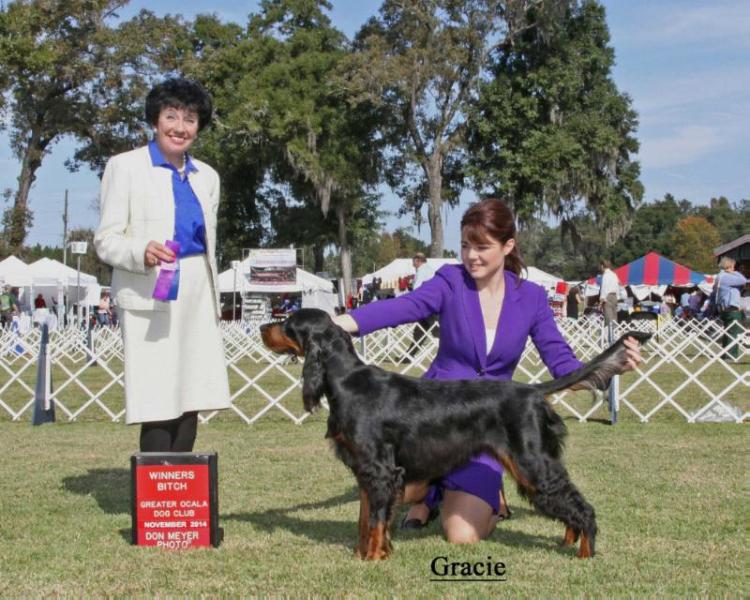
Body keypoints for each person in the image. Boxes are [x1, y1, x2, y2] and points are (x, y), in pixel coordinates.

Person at [333, 198, 643, 544]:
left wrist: (610, 368)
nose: (471, 256)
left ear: (508, 246)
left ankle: (481, 494)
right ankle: (427, 494)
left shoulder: (532, 298)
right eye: (465, 245)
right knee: (384, 487)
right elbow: (405, 307)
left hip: (492, 422)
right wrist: (337, 325)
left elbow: (560, 362)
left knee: (461, 535)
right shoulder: (450, 281)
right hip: (434, 419)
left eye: (482, 247)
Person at [94, 78, 231, 452]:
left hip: (197, 293)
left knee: (191, 392)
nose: (180, 127)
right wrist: (142, 250)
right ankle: (156, 489)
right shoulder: (124, 167)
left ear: (199, 127)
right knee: (157, 394)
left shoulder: (209, 177)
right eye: (171, 116)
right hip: (150, 290)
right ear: (155, 121)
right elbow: (106, 240)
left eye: (190, 119)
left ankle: (184, 483)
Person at [714, 256, 747, 361]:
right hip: (731, 308)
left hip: (725, 308)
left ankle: (725, 354)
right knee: (733, 332)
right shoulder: (726, 277)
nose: (734, 268)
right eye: (733, 266)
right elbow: (743, 280)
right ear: (728, 266)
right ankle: (731, 355)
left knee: (728, 331)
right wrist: (735, 272)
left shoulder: (720, 276)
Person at [598, 260, 620, 327]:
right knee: (614, 317)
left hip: (608, 297)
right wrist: (618, 297)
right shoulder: (614, 274)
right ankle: (615, 333)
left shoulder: (605, 275)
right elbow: (617, 286)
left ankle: (609, 335)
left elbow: (604, 289)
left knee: (608, 317)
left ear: (602, 266)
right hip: (615, 296)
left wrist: (601, 302)